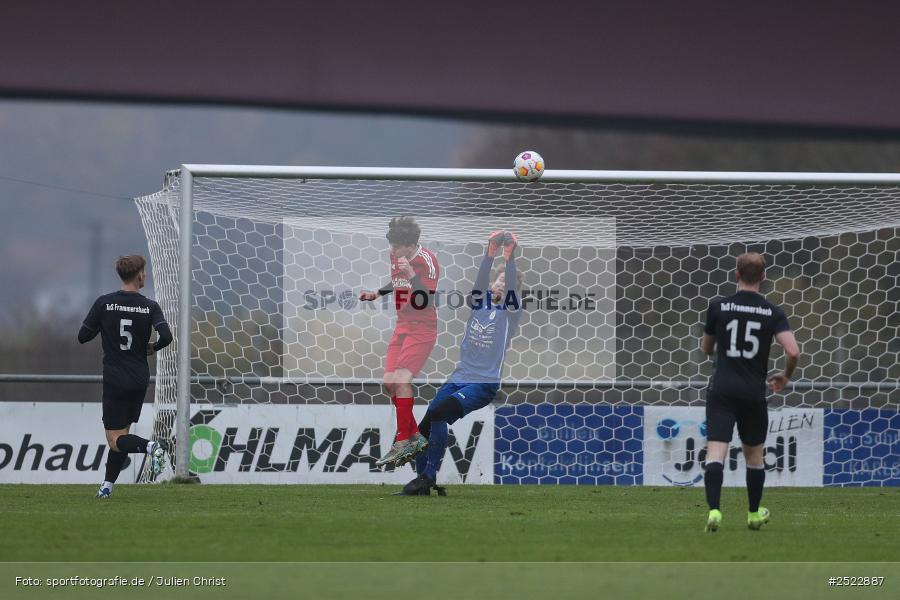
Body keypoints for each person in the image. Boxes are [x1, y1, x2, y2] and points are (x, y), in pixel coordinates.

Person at [399, 230, 522, 495]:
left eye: (504, 282)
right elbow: (480, 282)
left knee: (441, 413)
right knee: (425, 426)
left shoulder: (510, 310)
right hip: (460, 375)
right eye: (497, 281)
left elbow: (511, 286)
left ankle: (429, 476)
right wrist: (490, 253)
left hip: (483, 382)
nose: (500, 285)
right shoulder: (480, 302)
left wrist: (509, 257)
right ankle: (422, 483)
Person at [700, 252, 800, 531]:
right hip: (753, 392)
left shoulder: (718, 307)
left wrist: (719, 346)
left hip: (721, 389)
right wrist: (785, 375)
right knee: (754, 456)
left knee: (715, 453)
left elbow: (706, 348)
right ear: (763, 277)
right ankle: (754, 514)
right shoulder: (773, 312)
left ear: (736, 274)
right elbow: (793, 351)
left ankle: (715, 511)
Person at [78, 255, 173, 498]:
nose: (146, 275)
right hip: (139, 378)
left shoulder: (104, 303)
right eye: (145, 271)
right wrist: (153, 347)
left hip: (115, 378)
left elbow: (83, 336)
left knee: (115, 439)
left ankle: (152, 447)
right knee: (122, 435)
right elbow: (166, 336)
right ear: (139, 275)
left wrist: (105, 326)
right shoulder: (150, 306)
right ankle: (106, 487)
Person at [359, 217, 440, 467]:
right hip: (402, 325)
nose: (392, 250)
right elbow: (398, 282)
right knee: (389, 383)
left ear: (410, 245)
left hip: (422, 329)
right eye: (391, 245)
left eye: (396, 246)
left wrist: (412, 275)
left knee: (403, 381)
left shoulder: (427, 261)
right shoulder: (395, 254)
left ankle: (403, 441)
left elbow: (425, 299)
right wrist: (377, 293)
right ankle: (414, 435)